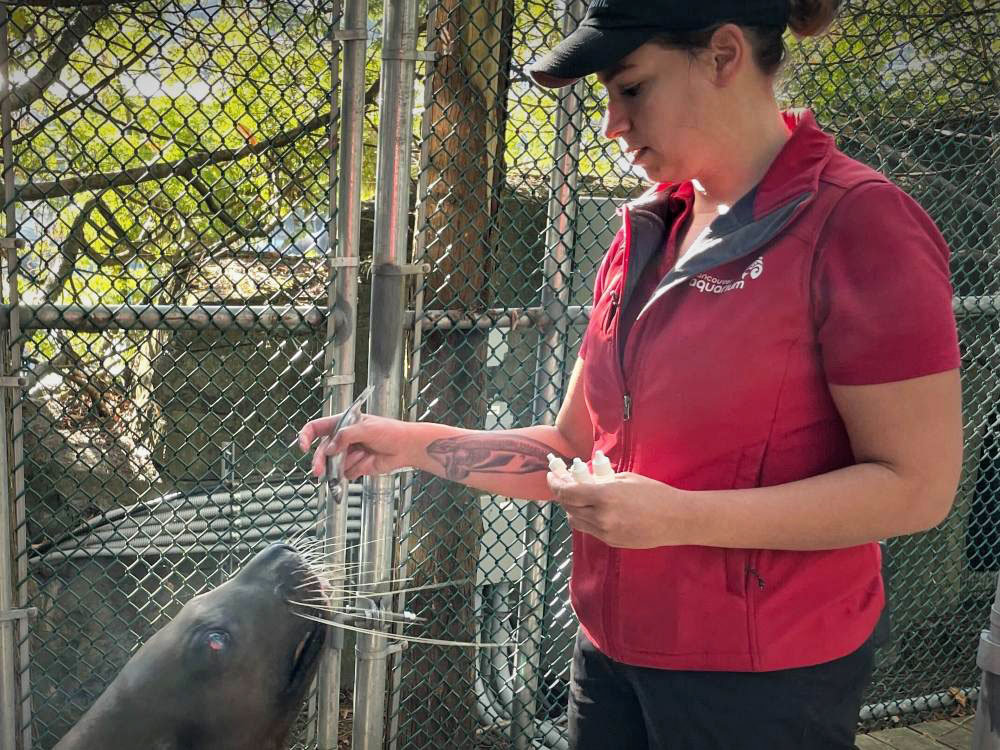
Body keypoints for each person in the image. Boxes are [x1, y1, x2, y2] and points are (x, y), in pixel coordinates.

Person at [299, 1, 964, 747]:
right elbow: (569, 446)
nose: (612, 123)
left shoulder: (859, 223)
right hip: (612, 655)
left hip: (761, 679)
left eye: (633, 88)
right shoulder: (648, 229)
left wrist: (680, 518)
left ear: (722, 55)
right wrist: (415, 444)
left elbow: (916, 486)